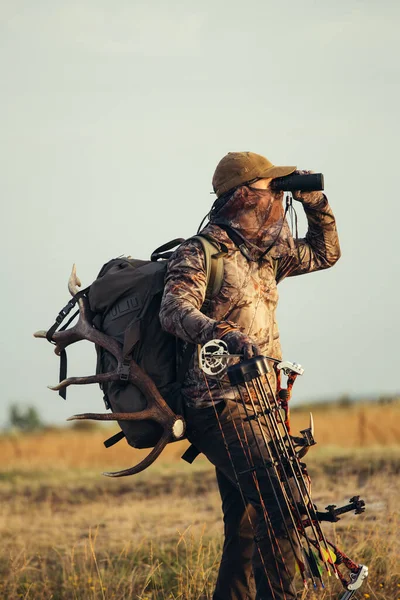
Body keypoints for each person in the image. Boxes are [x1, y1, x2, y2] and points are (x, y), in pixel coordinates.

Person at [159, 151, 341, 600]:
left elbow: (326, 253)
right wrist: (221, 331)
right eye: (270, 188)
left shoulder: (268, 253)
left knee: (244, 524)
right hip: (217, 405)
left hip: (264, 404)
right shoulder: (201, 251)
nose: (277, 197)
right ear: (242, 195)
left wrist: (314, 201)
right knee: (280, 504)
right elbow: (172, 309)